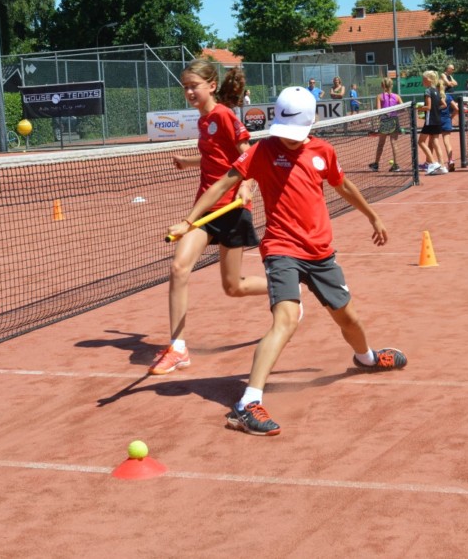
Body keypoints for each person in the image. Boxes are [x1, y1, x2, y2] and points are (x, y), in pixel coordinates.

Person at [166, 86, 406, 436]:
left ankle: (366, 357)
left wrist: (373, 216)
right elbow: (222, 184)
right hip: (281, 249)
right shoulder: (263, 150)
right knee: (286, 320)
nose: (290, 141)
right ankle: (247, 403)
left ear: (311, 124)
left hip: (321, 252)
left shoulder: (323, 151)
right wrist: (190, 220)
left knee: (349, 317)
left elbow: (344, 186)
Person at [150, 60, 268, 376]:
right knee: (178, 267)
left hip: (232, 209)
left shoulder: (225, 116)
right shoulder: (203, 122)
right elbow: (213, 156)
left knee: (233, 287)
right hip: (205, 211)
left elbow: (248, 154)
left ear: (211, 86)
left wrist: (247, 184)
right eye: (185, 87)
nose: (188, 92)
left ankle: (284, 289)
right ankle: (178, 348)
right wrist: (188, 162)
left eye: (194, 86)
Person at [368, 77, 402, 172]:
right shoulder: (397, 96)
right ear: (391, 85)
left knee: (381, 144)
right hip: (394, 120)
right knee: (394, 143)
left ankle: (376, 164)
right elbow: (403, 107)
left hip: (385, 121)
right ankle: (396, 165)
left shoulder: (379, 96)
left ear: (382, 86)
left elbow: (379, 111)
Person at [417, 71, 447, 175]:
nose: (422, 81)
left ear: (428, 80)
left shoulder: (428, 91)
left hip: (430, 121)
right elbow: (444, 105)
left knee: (420, 141)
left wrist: (417, 108)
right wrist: (436, 109)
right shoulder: (437, 91)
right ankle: (442, 166)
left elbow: (428, 107)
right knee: (435, 142)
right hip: (437, 119)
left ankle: (433, 163)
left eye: (423, 79)